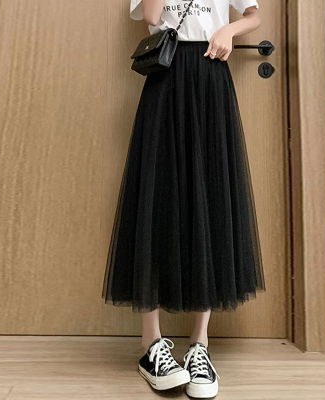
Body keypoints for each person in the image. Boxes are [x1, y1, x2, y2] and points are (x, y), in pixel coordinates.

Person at [102, 0, 265, 398]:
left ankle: (199, 345)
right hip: (166, 75)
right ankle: (151, 345)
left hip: (211, 77)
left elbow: (254, 15)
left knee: (210, 197)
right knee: (157, 198)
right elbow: (152, 18)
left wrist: (229, 30)